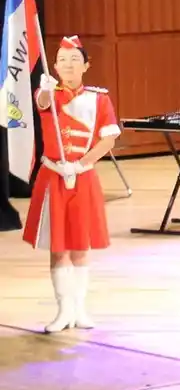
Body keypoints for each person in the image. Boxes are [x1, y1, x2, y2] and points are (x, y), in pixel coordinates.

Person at [22, 36, 120, 334]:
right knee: (58, 248)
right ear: (54, 66)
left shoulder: (99, 99)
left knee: (80, 246)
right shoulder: (48, 94)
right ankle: (63, 310)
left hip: (82, 176)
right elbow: (42, 102)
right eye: (62, 60)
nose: (68, 65)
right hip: (53, 177)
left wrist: (80, 165)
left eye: (75, 59)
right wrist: (46, 89)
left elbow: (108, 139)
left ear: (86, 65)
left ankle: (79, 309)